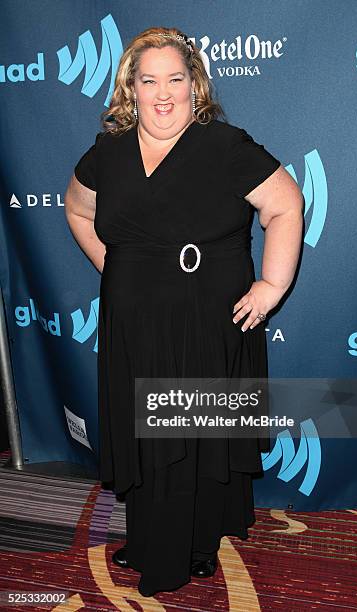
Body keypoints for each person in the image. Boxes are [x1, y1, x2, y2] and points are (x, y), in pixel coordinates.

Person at [64, 26, 303, 598]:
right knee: (148, 434)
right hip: (135, 321)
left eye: (176, 78)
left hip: (207, 315)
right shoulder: (109, 152)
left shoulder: (224, 146)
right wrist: (118, 269)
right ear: (131, 88)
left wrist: (272, 283)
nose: (163, 93)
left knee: (193, 431)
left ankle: (193, 543)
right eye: (150, 81)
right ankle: (152, 536)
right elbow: (77, 210)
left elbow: (286, 204)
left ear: (196, 86)